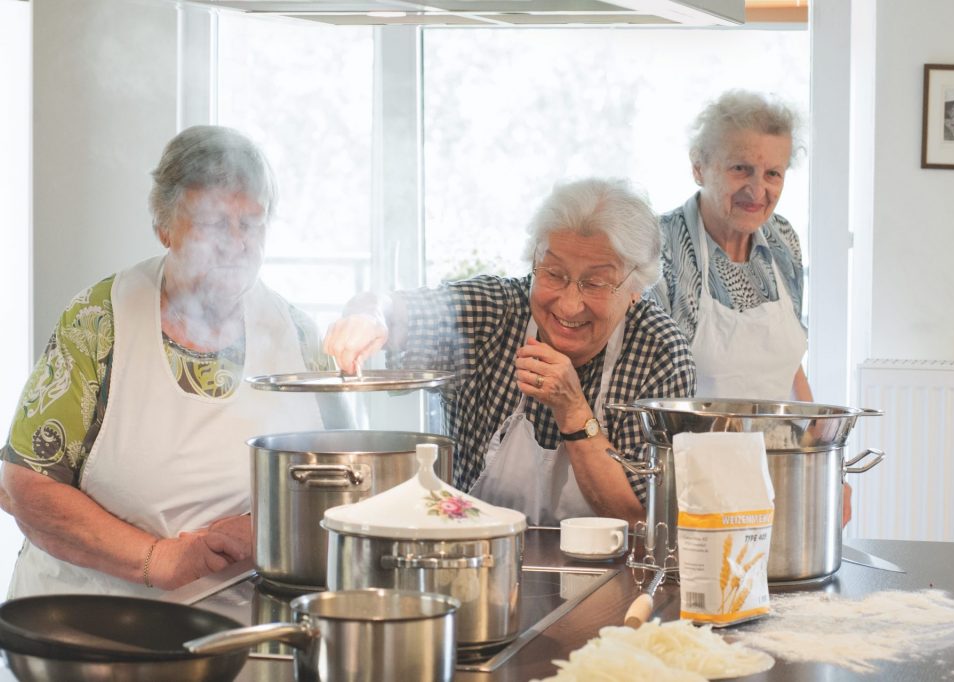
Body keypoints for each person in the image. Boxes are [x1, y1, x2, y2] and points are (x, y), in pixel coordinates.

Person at [0, 125, 345, 597]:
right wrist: (159, 559)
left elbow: (347, 485)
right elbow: (24, 487)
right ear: (164, 226)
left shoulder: (299, 335)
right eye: (213, 223)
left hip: (235, 619)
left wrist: (269, 526)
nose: (235, 243)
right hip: (89, 613)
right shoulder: (99, 321)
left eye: (251, 223)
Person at [324, 178, 695, 526]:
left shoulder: (660, 351)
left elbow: (642, 521)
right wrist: (370, 317)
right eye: (553, 274)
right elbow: (395, 308)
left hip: (610, 570)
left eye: (595, 282)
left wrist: (573, 411)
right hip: (476, 555)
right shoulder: (496, 313)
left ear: (636, 288)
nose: (569, 304)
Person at [652, 89, 851, 523]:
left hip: (780, 469)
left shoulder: (782, 240)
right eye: (740, 168)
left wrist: (826, 459)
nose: (757, 190)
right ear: (699, 166)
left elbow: (789, 366)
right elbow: (643, 386)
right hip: (692, 479)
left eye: (773, 173)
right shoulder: (659, 245)